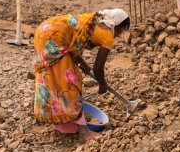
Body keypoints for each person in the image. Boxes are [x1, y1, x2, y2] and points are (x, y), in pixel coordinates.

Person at [33, 9, 130, 141]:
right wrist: (103, 84)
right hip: (55, 37)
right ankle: (84, 132)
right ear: (118, 25)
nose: (118, 35)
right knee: (71, 83)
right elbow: (98, 68)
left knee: (53, 79)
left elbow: (73, 42)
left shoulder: (94, 20)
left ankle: (62, 122)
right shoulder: (107, 35)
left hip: (44, 30)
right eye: (122, 31)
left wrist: (83, 63)